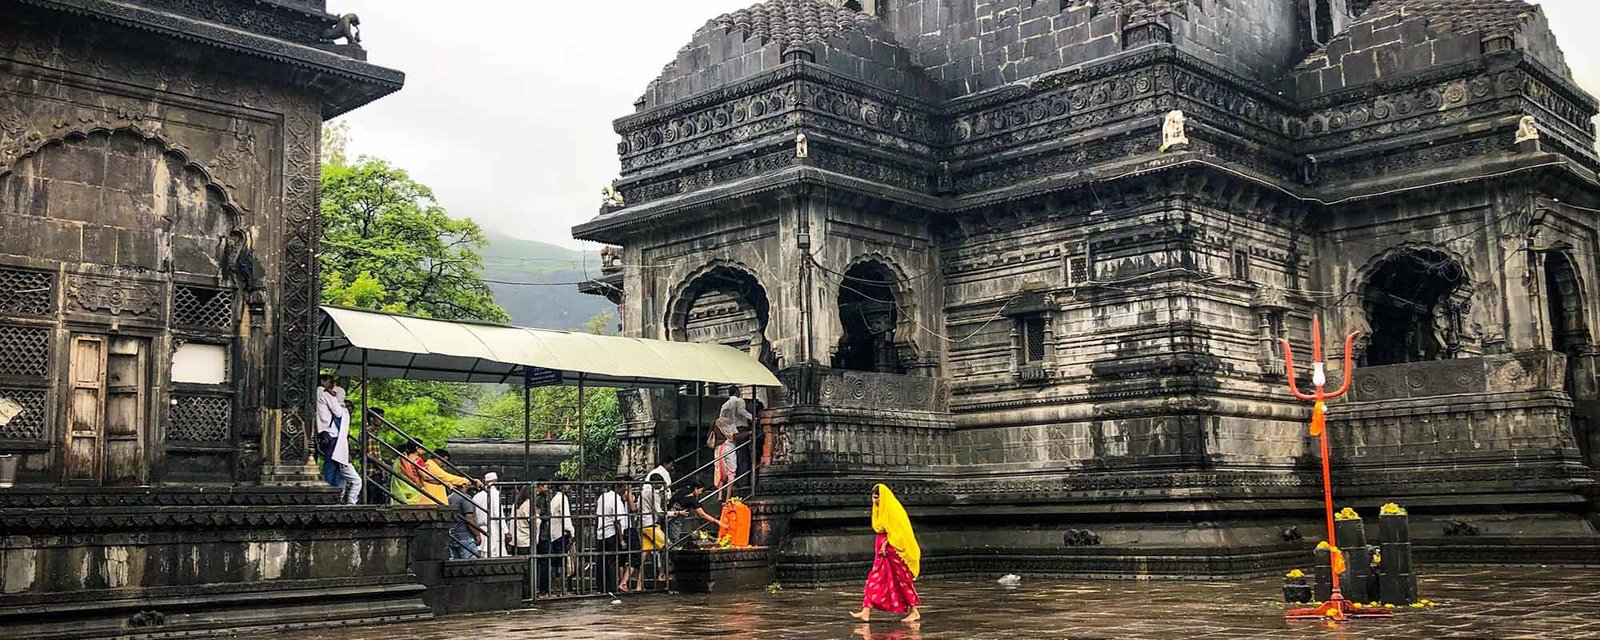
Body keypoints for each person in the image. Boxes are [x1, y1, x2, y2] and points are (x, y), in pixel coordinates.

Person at [850, 484, 922, 623]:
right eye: (874, 498)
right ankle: (866, 611)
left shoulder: (894, 510)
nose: (875, 501)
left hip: (894, 551)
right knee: (875, 578)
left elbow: (900, 532)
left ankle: (914, 611)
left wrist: (886, 543)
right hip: (882, 553)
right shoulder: (878, 510)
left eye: (878, 498)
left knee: (901, 580)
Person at [314, 375, 360, 503]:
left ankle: (334, 495)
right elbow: (338, 412)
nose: (332, 385)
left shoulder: (320, 394)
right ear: (322, 381)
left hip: (326, 432)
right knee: (332, 466)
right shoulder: (324, 393)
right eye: (330, 382)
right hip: (331, 433)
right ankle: (329, 494)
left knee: (334, 466)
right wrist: (337, 401)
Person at [640, 460, 674, 585]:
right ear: (655, 483)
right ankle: (662, 573)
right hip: (650, 525)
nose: (661, 487)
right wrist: (676, 513)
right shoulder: (653, 493)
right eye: (660, 485)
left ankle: (639, 583)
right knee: (667, 545)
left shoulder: (642, 492)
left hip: (643, 523)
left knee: (644, 552)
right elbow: (659, 512)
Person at [595, 479, 630, 594]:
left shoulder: (602, 497)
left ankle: (601, 587)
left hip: (601, 533)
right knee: (612, 561)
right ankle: (612, 587)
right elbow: (617, 521)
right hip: (611, 533)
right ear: (619, 488)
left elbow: (598, 515)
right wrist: (622, 539)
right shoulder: (616, 500)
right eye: (624, 487)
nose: (625, 489)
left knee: (602, 561)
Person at [544, 482, 574, 595]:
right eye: (566, 484)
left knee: (554, 564)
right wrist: (571, 532)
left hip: (553, 535)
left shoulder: (554, 499)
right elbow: (566, 518)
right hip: (562, 534)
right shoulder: (563, 498)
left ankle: (555, 589)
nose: (569, 486)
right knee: (562, 563)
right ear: (561, 486)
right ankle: (562, 590)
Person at [473, 472, 507, 558]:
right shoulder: (495, 494)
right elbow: (498, 514)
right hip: (494, 528)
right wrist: (506, 531)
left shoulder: (476, 496)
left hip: (481, 529)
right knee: (496, 554)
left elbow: (474, 516)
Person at [447, 479, 482, 560]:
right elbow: (469, 518)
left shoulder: (449, 498)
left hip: (453, 535)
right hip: (465, 536)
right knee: (471, 564)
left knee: (456, 564)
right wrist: (477, 534)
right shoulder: (465, 498)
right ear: (463, 485)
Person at [620, 484, 642, 592]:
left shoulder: (618, 497)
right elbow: (633, 509)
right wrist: (629, 492)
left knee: (623, 558)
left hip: (623, 528)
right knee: (635, 556)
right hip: (628, 528)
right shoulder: (627, 495)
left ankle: (622, 581)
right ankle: (623, 583)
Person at [390, 441, 427, 505]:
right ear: (417, 448)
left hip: (399, 490)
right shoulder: (417, 460)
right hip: (411, 490)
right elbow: (410, 474)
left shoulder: (399, 460)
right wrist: (419, 484)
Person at [511, 484, 536, 557]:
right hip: (525, 540)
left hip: (515, 540)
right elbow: (534, 522)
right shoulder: (528, 504)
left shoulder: (515, 504)